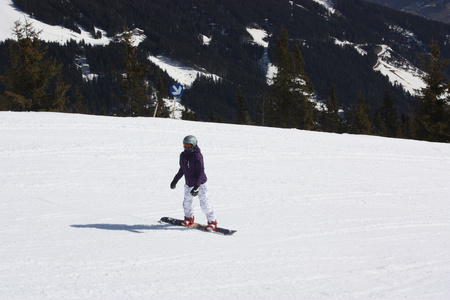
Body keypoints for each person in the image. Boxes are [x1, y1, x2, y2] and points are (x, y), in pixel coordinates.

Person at [170, 135, 217, 231]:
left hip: (200, 184)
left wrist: (197, 186)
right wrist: (175, 180)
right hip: (189, 183)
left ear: (194, 145)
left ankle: (212, 222)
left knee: (205, 205)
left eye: (188, 145)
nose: (186, 148)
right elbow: (182, 169)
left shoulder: (197, 156)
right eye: (184, 145)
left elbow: (201, 171)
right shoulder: (183, 155)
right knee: (186, 203)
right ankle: (189, 218)